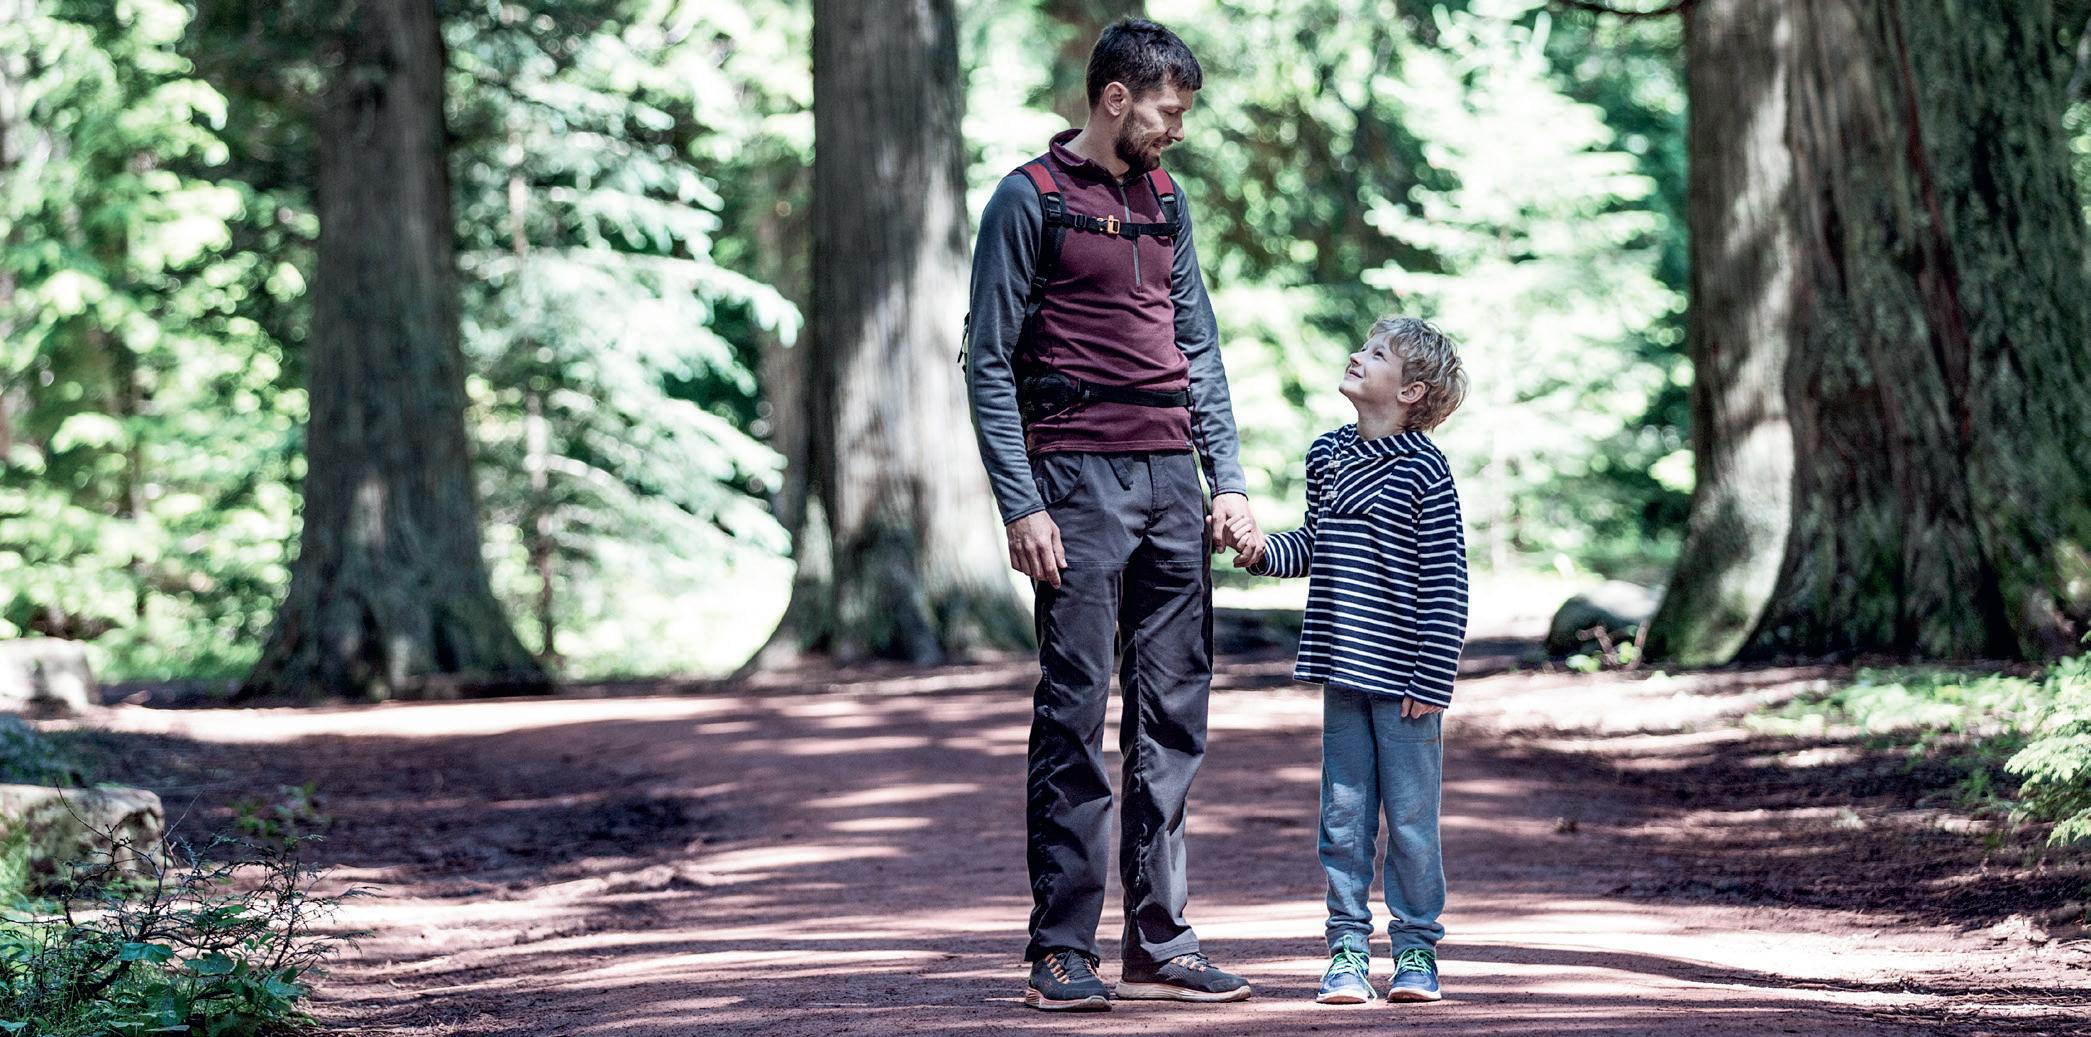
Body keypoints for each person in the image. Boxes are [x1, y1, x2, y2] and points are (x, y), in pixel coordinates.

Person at [964, 17, 1257, 1013]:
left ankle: (1160, 942)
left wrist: (1228, 480)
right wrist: (1021, 501)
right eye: (1168, 110)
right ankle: (1060, 948)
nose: (1178, 128)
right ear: (1115, 98)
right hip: (1076, 484)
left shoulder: (1166, 200)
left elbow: (1199, 346)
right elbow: (989, 361)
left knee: (1174, 716)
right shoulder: (1028, 199)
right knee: (1075, 712)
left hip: (1173, 482)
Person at [1230, 315, 1470, 1006]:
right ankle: (1346, 952)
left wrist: (1432, 675)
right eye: (1363, 346)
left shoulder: (1426, 470)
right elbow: (1314, 544)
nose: (1357, 355)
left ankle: (1416, 950)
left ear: (1411, 391)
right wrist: (1260, 550)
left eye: (1377, 353)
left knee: (1411, 821)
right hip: (1342, 668)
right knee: (1342, 819)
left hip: (1406, 680)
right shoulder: (1326, 454)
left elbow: (1446, 581)